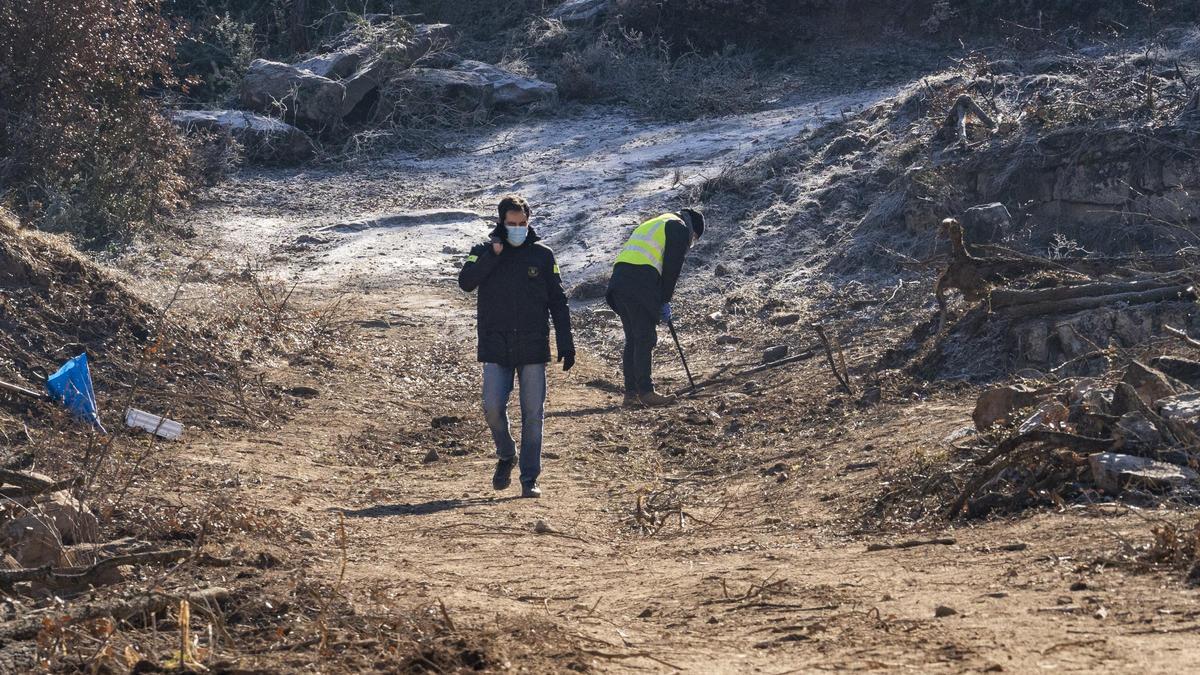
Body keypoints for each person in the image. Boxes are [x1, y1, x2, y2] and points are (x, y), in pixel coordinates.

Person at [458, 195, 574, 498]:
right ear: (501, 223)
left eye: (523, 224)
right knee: (493, 407)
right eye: (513, 224)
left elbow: (558, 301)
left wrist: (566, 341)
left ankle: (529, 478)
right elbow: (466, 282)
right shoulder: (482, 252)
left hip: (533, 346)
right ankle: (506, 453)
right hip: (496, 346)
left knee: (533, 414)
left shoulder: (543, 255)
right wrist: (493, 255)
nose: (519, 229)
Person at [605, 208, 704, 408]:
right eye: (693, 239)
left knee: (633, 338)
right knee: (645, 337)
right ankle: (646, 392)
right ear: (693, 229)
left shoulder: (655, 222)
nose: (690, 243)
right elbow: (671, 269)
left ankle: (631, 394)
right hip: (639, 283)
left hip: (619, 282)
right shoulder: (678, 227)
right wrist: (664, 299)